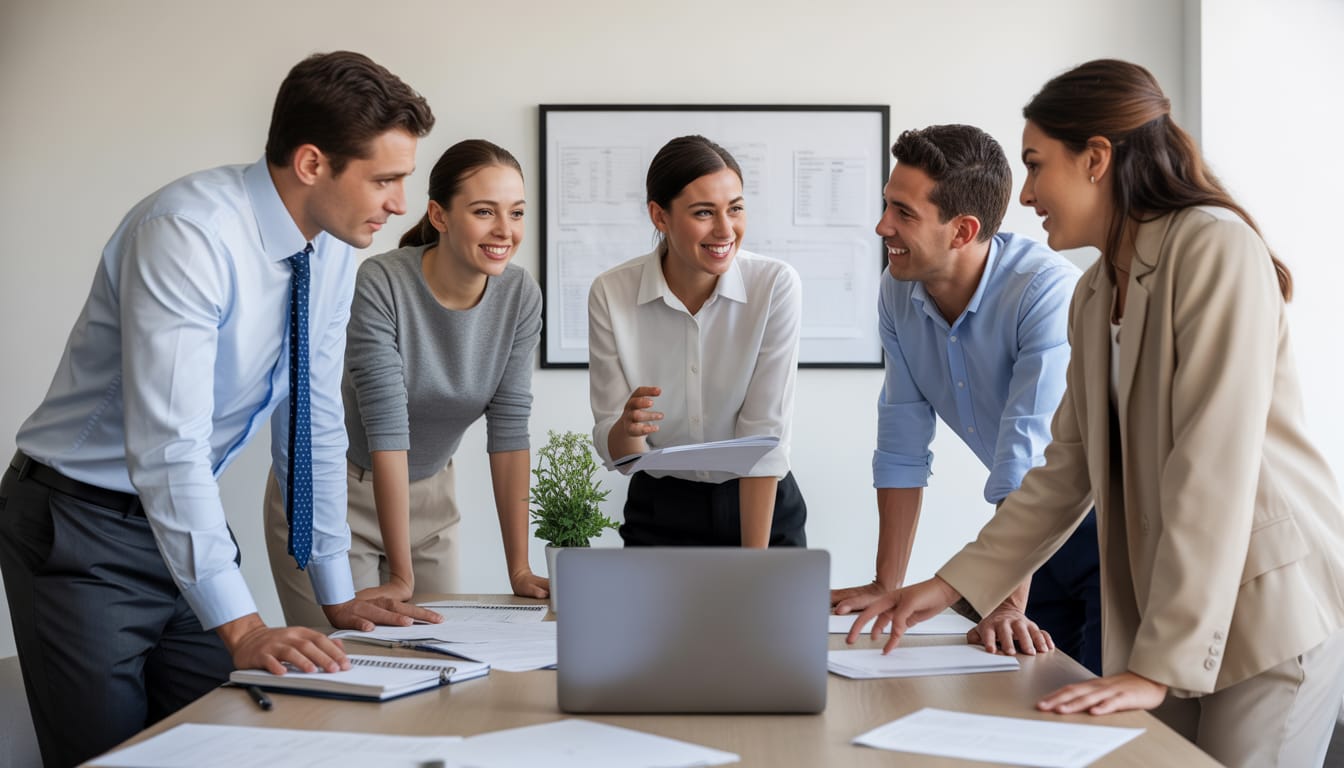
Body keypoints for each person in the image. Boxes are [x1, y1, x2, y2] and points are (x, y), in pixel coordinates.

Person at [849, 59, 1344, 768]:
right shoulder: (1095, 293)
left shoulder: (1213, 246)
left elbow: (1212, 466)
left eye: (1035, 165)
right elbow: (1064, 470)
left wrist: (1156, 666)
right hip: (1170, 611)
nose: (1025, 195)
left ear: (1096, 159)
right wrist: (950, 586)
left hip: (1267, 606)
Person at [0, 51, 441, 768]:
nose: (400, 204)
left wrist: (336, 592)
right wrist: (243, 627)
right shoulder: (187, 232)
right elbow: (168, 445)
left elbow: (313, 420)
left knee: (230, 739)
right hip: (80, 528)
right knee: (113, 757)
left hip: (180, 523)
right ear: (311, 163)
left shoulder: (330, 250)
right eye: (385, 179)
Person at [831, 124, 1101, 674]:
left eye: (904, 213)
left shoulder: (1045, 291)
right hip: (1024, 537)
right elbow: (902, 443)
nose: (883, 226)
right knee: (1026, 693)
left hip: (1105, 534)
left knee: (1097, 704)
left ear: (962, 231)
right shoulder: (898, 290)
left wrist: (1004, 601)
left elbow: (1026, 455)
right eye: (886, 204)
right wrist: (886, 583)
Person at [265, 139, 546, 628]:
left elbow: (509, 429)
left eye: (517, 213)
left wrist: (519, 569)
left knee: (444, 655)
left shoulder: (520, 295)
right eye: (484, 211)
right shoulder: (382, 282)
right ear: (439, 215)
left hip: (432, 500)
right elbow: (387, 427)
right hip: (337, 494)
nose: (505, 230)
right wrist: (401, 574)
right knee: (343, 659)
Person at [588, 135, 806, 548]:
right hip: (660, 510)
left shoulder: (774, 285)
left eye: (735, 208)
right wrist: (626, 429)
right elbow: (620, 454)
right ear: (660, 216)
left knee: (761, 594)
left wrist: (754, 568)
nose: (725, 229)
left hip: (761, 506)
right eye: (704, 212)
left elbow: (764, 439)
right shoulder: (611, 293)